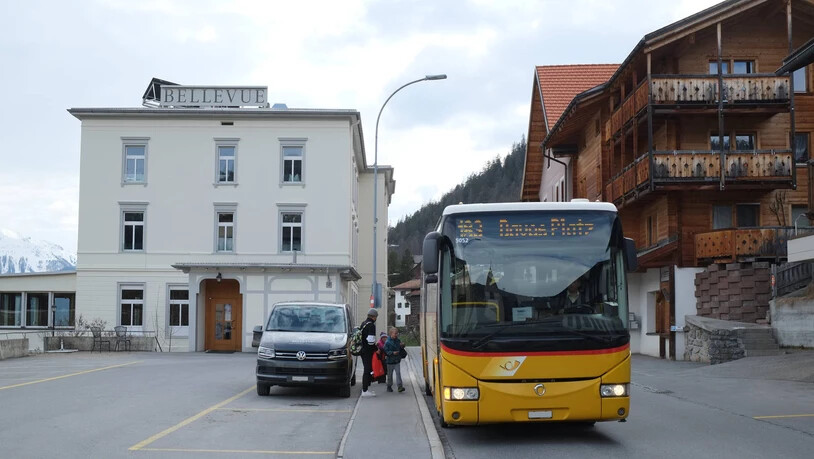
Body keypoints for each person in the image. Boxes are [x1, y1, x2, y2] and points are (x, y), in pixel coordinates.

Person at [360, 309, 378, 397]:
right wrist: (376, 348)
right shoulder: (371, 325)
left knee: (367, 369)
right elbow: (371, 341)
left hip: (362, 350)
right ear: (374, 317)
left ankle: (366, 388)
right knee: (367, 370)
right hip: (368, 351)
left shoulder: (363, 323)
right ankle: (365, 390)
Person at [383, 327, 406, 393]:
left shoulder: (398, 341)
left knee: (398, 373)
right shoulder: (387, 342)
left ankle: (400, 386)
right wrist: (392, 353)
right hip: (390, 361)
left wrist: (402, 346)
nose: (396, 335)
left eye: (397, 333)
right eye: (395, 333)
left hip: (397, 360)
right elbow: (386, 351)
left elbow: (400, 348)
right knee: (390, 375)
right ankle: (389, 386)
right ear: (391, 334)